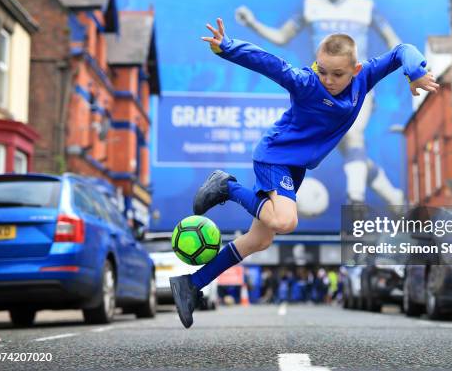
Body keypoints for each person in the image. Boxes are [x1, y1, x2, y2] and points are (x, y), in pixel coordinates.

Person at [169, 18, 437, 328]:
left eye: (337, 74)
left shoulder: (364, 80)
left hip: (294, 167)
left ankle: (190, 284)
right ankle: (227, 186)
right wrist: (227, 47)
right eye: (322, 70)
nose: (328, 79)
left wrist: (415, 72)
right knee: (284, 220)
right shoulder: (308, 83)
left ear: (356, 70)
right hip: (275, 157)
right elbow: (272, 64)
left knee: (259, 240)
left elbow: (402, 50)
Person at [236, 0, 404, 208]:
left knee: (353, 135)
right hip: (320, 90)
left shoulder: (365, 7)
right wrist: (252, 23)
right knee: (350, 150)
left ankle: (355, 200)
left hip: (355, 88)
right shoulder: (311, 5)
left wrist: (407, 65)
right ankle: (393, 196)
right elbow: (282, 37)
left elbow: (393, 41)